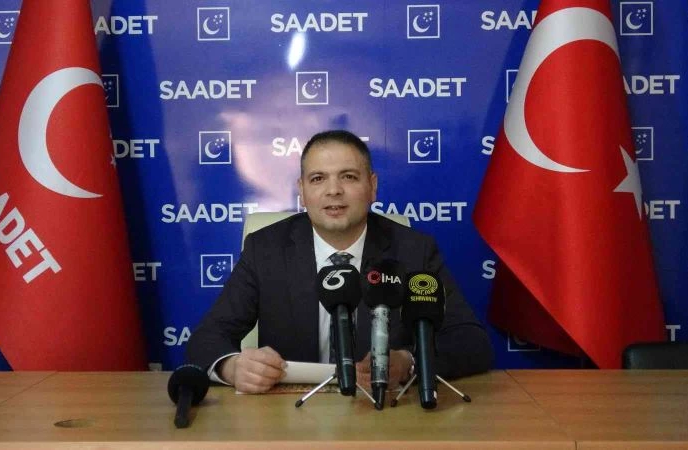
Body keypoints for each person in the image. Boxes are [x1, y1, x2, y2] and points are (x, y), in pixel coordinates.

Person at [187, 130, 493, 393]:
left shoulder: (414, 250)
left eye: (349, 177)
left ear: (372, 187)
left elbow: (470, 340)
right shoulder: (265, 249)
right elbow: (207, 337)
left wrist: (409, 362)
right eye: (318, 178)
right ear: (302, 191)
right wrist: (231, 367)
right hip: (291, 410)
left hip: (382, 410)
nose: (333, 190)